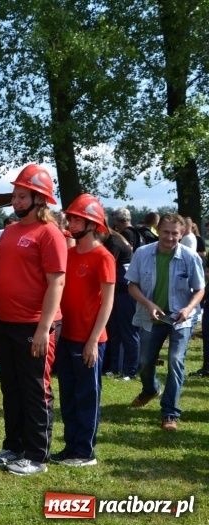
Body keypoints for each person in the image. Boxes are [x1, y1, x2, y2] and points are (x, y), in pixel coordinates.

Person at [0, 164, 67, 476]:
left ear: (39, 199)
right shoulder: (10, 232)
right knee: (11, 387)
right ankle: (13, 445)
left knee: (34, 389)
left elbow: (57, 282)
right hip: (4, 321)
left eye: (21, 195)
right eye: (14, 195)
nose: (15, 201)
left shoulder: (51, 234)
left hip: (34, 326)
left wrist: (44, 328)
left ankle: (37, 455)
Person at [51, 195, 115, 467]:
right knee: (68, 394)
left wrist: (92, 341)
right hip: (66, 336)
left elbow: (108, 302)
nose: (70, 222)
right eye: (70, 217)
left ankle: (85, 451)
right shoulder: (69, 253)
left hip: (89, 340)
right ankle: (71, 446)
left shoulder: (104, 257)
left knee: (87, 396)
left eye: (76, 218)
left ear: (91, 223)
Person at [126, 213, 205, 431]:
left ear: (181, 235)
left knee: (175, 361)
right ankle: (150, 389)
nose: (170, 237)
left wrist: (188, 309)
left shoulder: (191, 257)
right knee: (143, 362)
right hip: (151, 316)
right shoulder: (142, 253)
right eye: (166, 232)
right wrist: (149, 304)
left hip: (181, 319)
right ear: (158, 231)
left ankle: (169, 412)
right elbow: (132, 285)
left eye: (174, 233)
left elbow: (200, 289)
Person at [102, 222, 138, 381]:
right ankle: (114, 367)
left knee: (128, 333)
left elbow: (106, 267)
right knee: (115, 332)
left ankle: (130, 370)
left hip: (126, 293)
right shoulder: (112, 240)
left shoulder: (114, 243)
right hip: (117, 292)